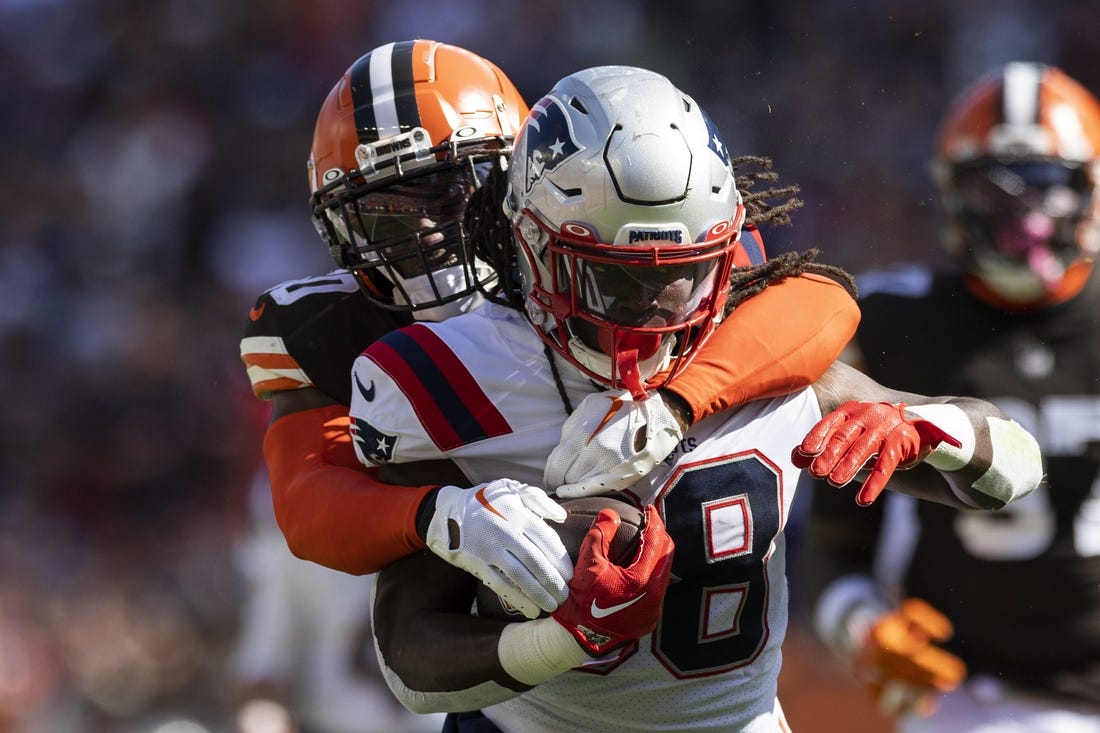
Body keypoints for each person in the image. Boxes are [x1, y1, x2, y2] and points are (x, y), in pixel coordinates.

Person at [349, 65, 1043, 733]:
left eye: (680, 278)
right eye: (611, 281)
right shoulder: (451, 376)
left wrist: (930, 428)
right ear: (530, 246)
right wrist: (562, 639)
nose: (652, 312)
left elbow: (1016, 467)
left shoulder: (764, 353)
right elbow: (410, 659)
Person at [239, 39, 862, 616]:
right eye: (384, 215)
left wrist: (677, 405)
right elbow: (307, 503)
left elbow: (815, 301)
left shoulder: (598, 249)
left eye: (450, 191)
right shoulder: (328, 327)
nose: (427, 233)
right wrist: (441, 516)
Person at [802, 61, 1100, 732]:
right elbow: (832, 543)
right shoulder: (889, 321)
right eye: (996, 190)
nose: (1023, 213)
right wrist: (867, 629)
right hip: (969, 694)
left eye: (1047, 186)